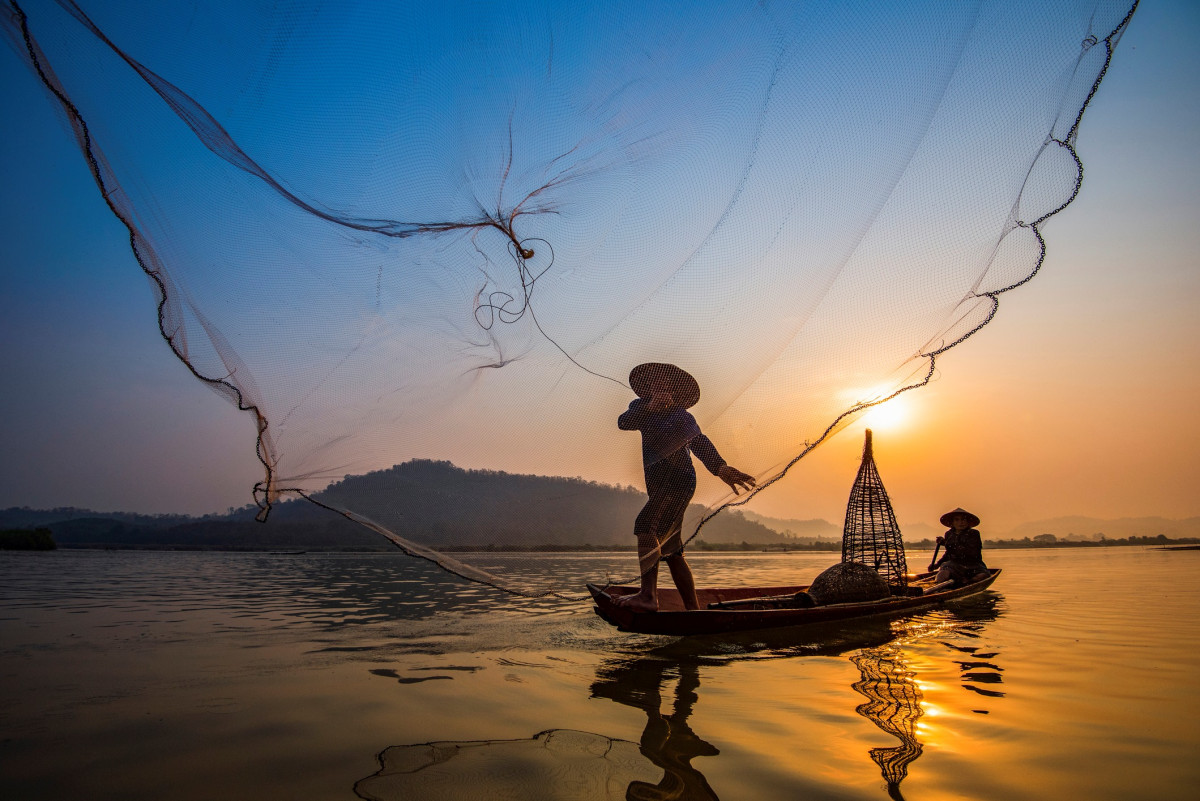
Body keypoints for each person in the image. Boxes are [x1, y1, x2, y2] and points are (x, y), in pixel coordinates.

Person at [614, 363, 756, 612]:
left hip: (679, 480)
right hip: (658, 484)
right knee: (671, 548)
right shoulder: (639, 408)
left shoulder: (680, 416)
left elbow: (699, 441)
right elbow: (623, 423)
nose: (659, 386)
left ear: (673, 391)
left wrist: (721, 468)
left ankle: (648, 597)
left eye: (665, 383)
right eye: (654, 382)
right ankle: (693, 609)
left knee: (646, 525)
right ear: (647, 387)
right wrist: (649, 408)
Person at [929, 507, 989, 585]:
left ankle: (968, 582)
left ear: (968, 522)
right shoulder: (949, 534)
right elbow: (948, 553)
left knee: (983, 576)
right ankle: (937, 587)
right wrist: (937, 565)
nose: (961, 522)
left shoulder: (974, 533)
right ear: (952, 522)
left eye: (963, 520)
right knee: (943, 573)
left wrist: (946, 544)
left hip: (973, 565)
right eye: (957, 520)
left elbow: (971, 552)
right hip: (954, 566)